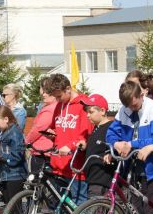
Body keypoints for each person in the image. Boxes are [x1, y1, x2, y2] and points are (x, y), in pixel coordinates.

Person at [106, 80, 153, 214]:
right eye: (128, 106)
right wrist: (116, 144)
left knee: (150, 212)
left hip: (150, 168)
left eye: (134, 105)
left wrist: (131, 144)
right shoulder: (123, 109)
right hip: (130, 167)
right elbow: (110, 134)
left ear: (141, 95)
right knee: (135, 211)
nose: (131, 108)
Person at [42, 73, 93, 205]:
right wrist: (51, 133)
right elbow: (56, 128)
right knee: (63, 208)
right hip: (58, 165)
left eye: (59, 96)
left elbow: (86, 135)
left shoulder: (83, 105)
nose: (58, 100)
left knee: (79, 205)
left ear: (68, 89)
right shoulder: (60, 105)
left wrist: (70, 146)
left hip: (75, 166)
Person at [0, 105, 27, 209]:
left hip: (15, 175)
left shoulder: (15, 132)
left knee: (15, 209)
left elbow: (16, 157)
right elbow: (6, 152)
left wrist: (0, 157)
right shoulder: (6, 131)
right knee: (10, 208)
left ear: (6, 119)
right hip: (7, 174)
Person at [82, 94, 115, 197]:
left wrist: (110, 154)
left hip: (102, 182)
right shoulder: (96, 128)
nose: (87, 115)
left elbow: (114, 148)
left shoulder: (111, 127)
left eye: (91, 112)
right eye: (87, 112)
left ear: (103, 111)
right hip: (93, 179)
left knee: (95, 212)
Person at [25, 77, 58, 173]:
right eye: (42, 91)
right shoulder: (50, 106)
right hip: (44, 150)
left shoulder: (50, 109)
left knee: (37, 181)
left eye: (46, 92)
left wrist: (26, 141)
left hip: (42, 151)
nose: (43, 94)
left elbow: (38, 128)